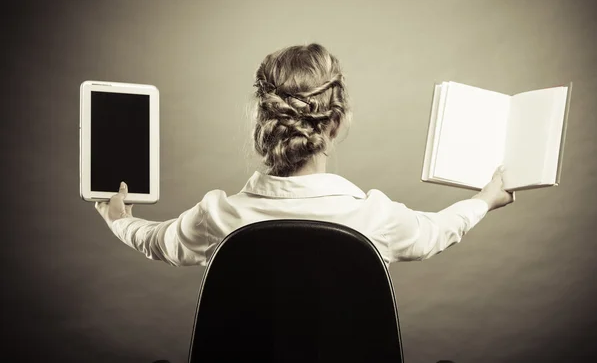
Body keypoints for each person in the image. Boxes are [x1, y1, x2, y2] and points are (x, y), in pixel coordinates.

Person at [95, 43, 515, 267]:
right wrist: (484, 199)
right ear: (336, 123)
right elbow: (438, 230)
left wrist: (119, 219)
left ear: (265, 121)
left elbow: (155, 240)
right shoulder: (375, 218)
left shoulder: (218, 216)